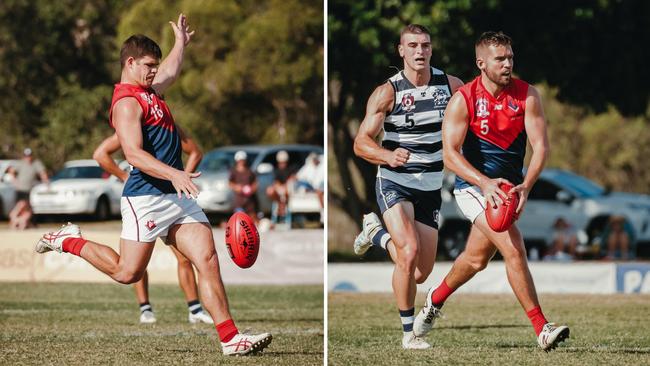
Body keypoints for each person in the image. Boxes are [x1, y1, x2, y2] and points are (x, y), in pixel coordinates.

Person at [34, 14, 271, 356]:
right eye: (147, 65)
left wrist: (181, 44)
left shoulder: (151, 91)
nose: (153, 71)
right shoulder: (127, 102)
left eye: (154, 66)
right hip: (145, 197)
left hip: (176, 197)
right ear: (129, 63)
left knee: (207, 258)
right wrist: (175, 173)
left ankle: (230, 338)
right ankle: (68, 240)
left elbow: (171, 72)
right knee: (126, 272)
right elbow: (132, 153)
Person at [412, 31, 569, 351]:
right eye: (500, 59)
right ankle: (542, 327)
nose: (508, 63)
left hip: (509, 190)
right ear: (481, 63)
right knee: (513, 246)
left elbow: (540, 148)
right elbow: (450, 154)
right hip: (472, 188)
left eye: (510, 57)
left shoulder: (527, 95)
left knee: (475, 260)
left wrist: (527, 185)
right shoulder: (464, 98)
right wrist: (484, 183)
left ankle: (434, 299)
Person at [352, 24, 463, 349]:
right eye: (412, 45)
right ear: (401, 50)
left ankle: (376, 235)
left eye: (425, 45)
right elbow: (361, 143)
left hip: (430, 186)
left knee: (420, 273)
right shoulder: (388, 92)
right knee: (409, 251)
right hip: (394, 182)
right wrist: (387, 155)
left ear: (431, 49)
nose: (420, 51)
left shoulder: (451, 85)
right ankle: (408, 334)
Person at [93, 132, 213, 324]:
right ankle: (145, 309)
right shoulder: (132, 122)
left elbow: (195, 152)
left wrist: (182, 180)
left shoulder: (167, 124)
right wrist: (124, 177)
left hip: (171, 200)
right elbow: (100, 154)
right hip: (142, 201)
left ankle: (194, 309)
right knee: (134, 264)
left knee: (184, 258)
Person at [10, 148, 48, 228]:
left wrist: (46, 182)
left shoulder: (36, 164)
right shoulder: (20, 163)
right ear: (24, 156)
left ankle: (27, 223)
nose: (28, 157)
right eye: (26, 156)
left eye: (29, 156)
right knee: (20, 207)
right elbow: (11, 171)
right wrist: (14, 181)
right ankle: (16, 223)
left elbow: (42, 173)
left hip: (29, 190)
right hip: (20, 190)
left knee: (28, 209)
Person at [228, 150, 258, 220]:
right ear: (237, 161)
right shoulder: (233, 171)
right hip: (239, 200)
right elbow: (230, 183)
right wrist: (236, 187)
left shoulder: (249, 171)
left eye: (243, 160)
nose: (241, 162)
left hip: (249, 200)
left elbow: (255, 183)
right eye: (240, 160)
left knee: (251, 218)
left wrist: (252, 189)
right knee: (239, 218)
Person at [295, 153, 324, 223]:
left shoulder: (322, 166)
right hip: (311, 186)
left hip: (320, 186)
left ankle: (323, 212)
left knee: (320, 190)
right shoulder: (308, 167)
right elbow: (298, 176)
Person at [266, 150, 294, 221]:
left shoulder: (290, 169)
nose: (282, 164)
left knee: (285, 191)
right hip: (279, 191)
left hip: (287, 190)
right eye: (281, 162)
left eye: (284, 162)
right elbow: (276, 182)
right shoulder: (276, 171)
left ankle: (282, 209)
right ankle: (280, 206)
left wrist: (284, 186)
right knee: (270, 190)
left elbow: (292, 180)